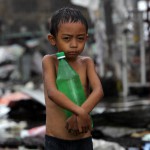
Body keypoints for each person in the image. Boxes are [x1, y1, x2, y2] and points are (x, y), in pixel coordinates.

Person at [42, 7, 104, 150]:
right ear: (53, 39)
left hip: (83, 140)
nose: (74, 44)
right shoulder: (50, 61)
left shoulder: (87, 62)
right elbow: (53, 93)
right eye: (66, 38)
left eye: (80, 38)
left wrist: (78, 115)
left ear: (86, 38)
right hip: (55, 141)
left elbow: (98, 91)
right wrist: (81, 113)